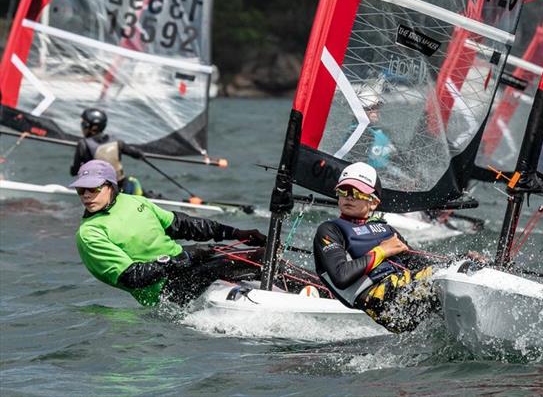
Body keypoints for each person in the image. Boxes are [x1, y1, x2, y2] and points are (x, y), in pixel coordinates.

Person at [313, 162, 485, 333]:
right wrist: (382, 251)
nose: (349, 197)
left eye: (357, 192)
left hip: (406, 288)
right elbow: (341, 276)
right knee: (441, 281)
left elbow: (418, 262)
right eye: (344, 191)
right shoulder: (330, 230)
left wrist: (457, 260)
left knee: (466, 267)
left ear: (374, 202)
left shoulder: (386, 229)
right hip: (385, 302)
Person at [71, 159, 267, 306]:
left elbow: (184, 225)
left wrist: (237, 233)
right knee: (232, 261)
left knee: (258, 255)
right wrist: (185, 257)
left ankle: (293, 288)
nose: (86, 195)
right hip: (164, 293)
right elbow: (133, 277)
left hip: (185, 266)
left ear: (111, 186)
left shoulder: (135, 202)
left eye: (93, 188)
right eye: (81, 190)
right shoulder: (89, 233)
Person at [70, 108, 146, 195]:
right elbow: (136, 153)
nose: (82, 127)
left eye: (83, 124)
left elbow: (75, 171)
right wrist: (141, 155)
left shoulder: (83, 144)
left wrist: (74, 169)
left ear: (93, 127)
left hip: (99, 189)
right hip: (120, 186)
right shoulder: (116, 141)